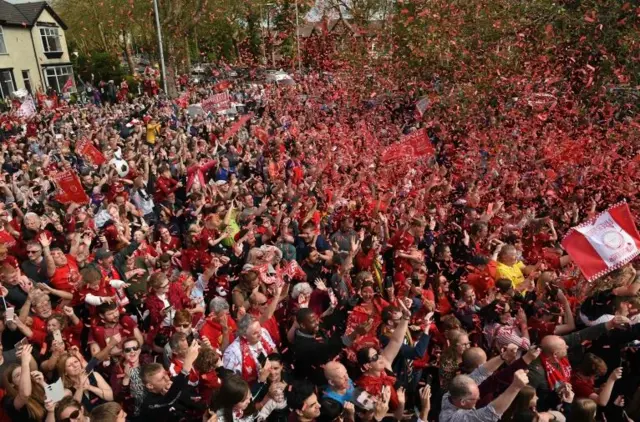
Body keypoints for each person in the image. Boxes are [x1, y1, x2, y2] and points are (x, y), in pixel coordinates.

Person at [139, 341, 202, 421]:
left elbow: (195, 401)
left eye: (166, 374)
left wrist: (180, 391)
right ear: (150, 385)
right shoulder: (149, 404)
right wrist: (187, 365)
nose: (167, 378)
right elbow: (168, 400)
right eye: (162, 378)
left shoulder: (174, 382)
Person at [439, 369, 529, 422]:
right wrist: (515, 387)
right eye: (475, 398)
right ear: (463, 402)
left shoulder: (452, 394)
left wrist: (503, 356)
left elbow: (480, 373)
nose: (479, 399)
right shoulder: (455, 419)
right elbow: (490, 412)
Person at [222, 314, 276, 386]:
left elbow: (274, 351)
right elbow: (232, 384)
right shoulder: (232, 353)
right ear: (244, 335)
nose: (260, 334)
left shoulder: (263, 332)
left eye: (259, 329)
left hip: (272, 380)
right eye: (255, 333)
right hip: (251, 390)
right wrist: (262, 378)